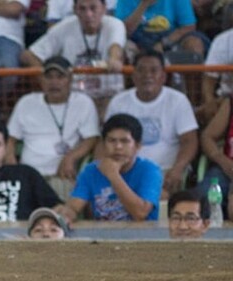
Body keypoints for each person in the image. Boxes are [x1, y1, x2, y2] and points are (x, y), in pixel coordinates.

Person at [104, 50, 198, 197]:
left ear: (163, 76)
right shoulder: (118, 102)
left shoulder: (178, 100)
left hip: (166, 172)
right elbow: (104, 141)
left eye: (154, 70)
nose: (147, 75)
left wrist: (178, 169)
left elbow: (189, 141)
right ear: (133, 76)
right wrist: (106, 170)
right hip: (125, 171)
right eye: (141, 70)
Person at [6, 56, 100, 201]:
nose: (54, 82)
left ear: (70, 79)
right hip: (28, 175)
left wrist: (71, 157)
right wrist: (13, 169)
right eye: (49, 77)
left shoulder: (83, 102)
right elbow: (10, 140)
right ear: (41, 80)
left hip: (61, 175)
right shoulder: (26, 102)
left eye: (60, 76)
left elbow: (92, 138)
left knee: (59, 213)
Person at [59, 113, 163, 222]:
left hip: (143, 236)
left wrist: (113, 175)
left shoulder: (149, 170)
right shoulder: (91, 171)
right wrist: (66, 215)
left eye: (124, 141)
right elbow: (74, 207)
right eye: (112, 141)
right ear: (103, 145)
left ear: (138, 146)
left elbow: (141, 213)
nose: (118, 147)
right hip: (103, 236)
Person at [21, 0, 125, 98]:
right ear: (75, 10)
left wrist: (114, 59)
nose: (88, 14)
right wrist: (45, 79)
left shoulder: (115, 24)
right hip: (73, 97)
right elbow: (28, 55)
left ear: (104, 8)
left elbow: (115, 45)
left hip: (108, 94)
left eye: (93, 8)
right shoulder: (65, 26)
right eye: (82, 9)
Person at [115, 0, 208, 58]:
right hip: (137, 40)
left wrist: (163, 44)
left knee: (194, 44)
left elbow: (188, 26)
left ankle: (193, 89)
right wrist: (144, 4)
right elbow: (124, 31)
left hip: (171, 38)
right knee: (121, 49)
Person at [197, 96, 233, 220]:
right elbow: (207, 137)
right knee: (202, 199)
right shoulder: (231, 102)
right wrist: (222, 159)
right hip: (227, 169)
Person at [200, 7, 233, 122]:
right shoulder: (223, 40)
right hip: (227, 99)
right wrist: (209, 102)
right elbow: (209, 78)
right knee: (207, 135)